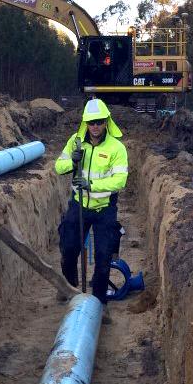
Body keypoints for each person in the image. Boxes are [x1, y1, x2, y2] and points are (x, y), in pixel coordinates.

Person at [55, 99, 128, 317]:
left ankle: (99, 303)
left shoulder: (116, 147)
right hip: (79, 206)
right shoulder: (75, 142)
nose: (95, 126)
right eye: (91, 122)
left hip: (104, 209)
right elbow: (59, 166)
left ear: (106, 122)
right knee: (68, 250)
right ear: (85, 123)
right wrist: (72, 162)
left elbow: (120, 180)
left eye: (99, 122)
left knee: (103, 257)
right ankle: (70, 290)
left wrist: (92, 185)